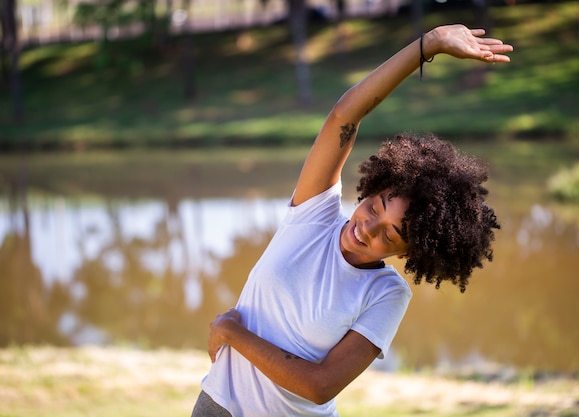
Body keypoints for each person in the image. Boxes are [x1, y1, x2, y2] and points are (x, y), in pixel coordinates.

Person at [191, 24, 513, 417]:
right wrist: (427, 45)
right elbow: (346, 114)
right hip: (216, 406)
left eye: (390, 235)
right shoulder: (315, 214)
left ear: (412, 251)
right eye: (375, 207)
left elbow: (320, 386)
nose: (366, 229)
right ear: (372, 188)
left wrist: (232, 333)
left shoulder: (386, 295)